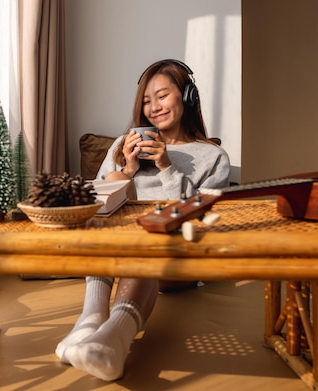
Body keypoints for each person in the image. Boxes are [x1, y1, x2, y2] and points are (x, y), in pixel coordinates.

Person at [55, 59, 230, 381]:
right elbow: (100, 203)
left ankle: (108, 340)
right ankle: (91, 325)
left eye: (162, 96)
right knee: (107, 233)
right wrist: (127, 169)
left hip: (176, 254)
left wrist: (167, 166)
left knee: (144, 247)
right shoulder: (123, 147)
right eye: (147, 101)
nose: (154, 108)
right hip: (119, 245)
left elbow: (201, 214)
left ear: (188, 97)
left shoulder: (213, 157)